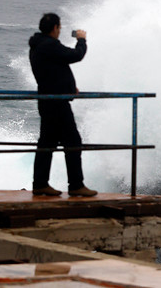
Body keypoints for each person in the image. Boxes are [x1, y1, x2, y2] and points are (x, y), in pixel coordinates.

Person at [28, 13, 97, 197]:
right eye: (59, 27)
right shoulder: (49, 45)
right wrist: (82, 40)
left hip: (48, 99)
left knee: (47, 143)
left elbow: (52, 70)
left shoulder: (37, 46)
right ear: (55, 28)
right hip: (57, 103)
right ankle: (76, 185)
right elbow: (75, 55)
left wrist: (67, 86)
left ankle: (40, 184)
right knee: (73, 142)